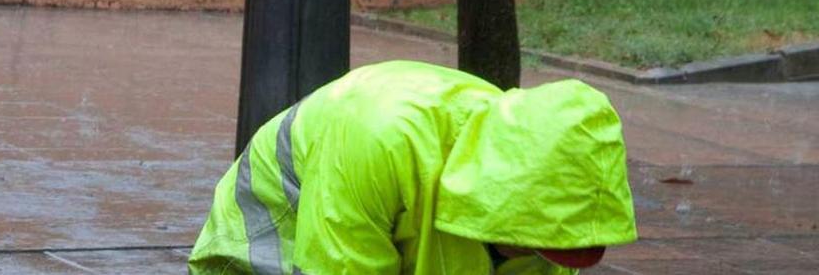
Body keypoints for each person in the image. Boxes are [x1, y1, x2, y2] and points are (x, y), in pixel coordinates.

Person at [189, 60, 637, 274]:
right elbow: (339, 267)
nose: (542, 258)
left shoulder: (552, 212)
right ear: (506, 198)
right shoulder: (378, 137)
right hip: (269, 243)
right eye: (534, 246)